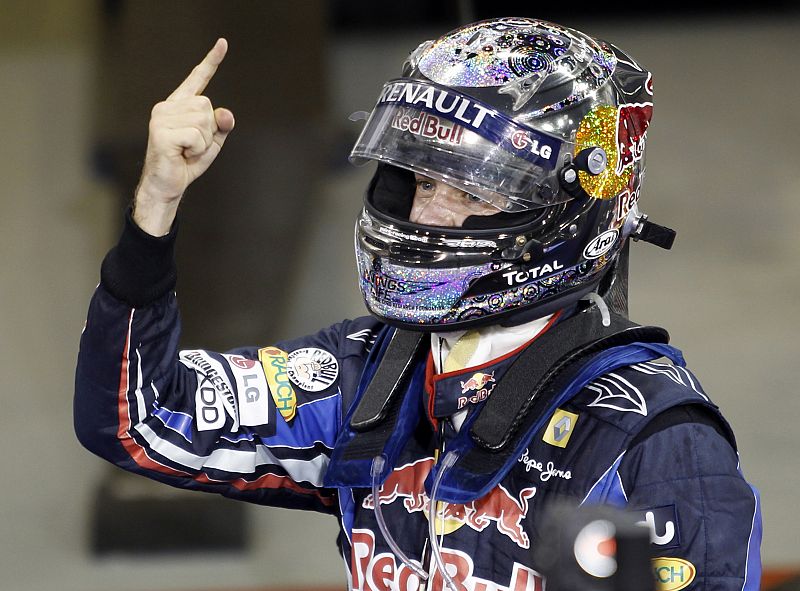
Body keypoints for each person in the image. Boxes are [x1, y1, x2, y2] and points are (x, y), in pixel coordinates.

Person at [75, 18, 761, 591]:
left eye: (471, 193)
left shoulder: (651, 440)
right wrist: (156, 206)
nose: (430, 213)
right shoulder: (369, 376)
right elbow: (139, 416)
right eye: (423, 181)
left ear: (567, 211)